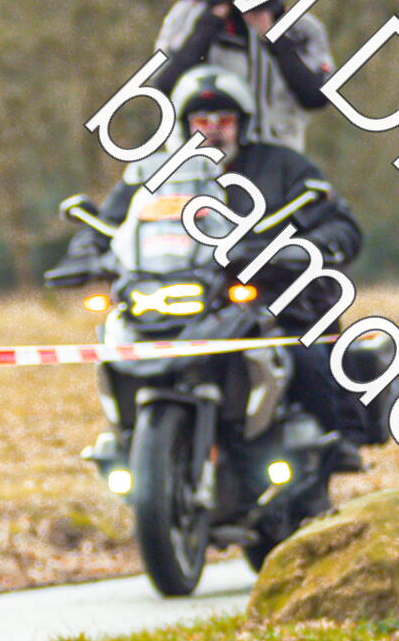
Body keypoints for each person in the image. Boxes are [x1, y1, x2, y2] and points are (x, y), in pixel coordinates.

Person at [118, 66, 379, 462]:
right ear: (185, 125)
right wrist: (86, 250)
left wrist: (303, 248)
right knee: (118, 341)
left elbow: (340, 225)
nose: (213, 130)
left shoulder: (282, 166)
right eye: (202, 120)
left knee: (305, 354)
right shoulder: (159, 174)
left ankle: (332, 442)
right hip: (183, 297)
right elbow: (111, 221)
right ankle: (128, 441)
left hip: (269, 297)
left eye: (224, 120)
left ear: (242, 123)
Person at [151, 0, 337, 151]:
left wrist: (272, 35)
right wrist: (213, 19)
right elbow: (164, 83)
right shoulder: (191, 13)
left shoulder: (304, 29)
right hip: (204, 158)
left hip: (277, 158)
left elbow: (316, 97)